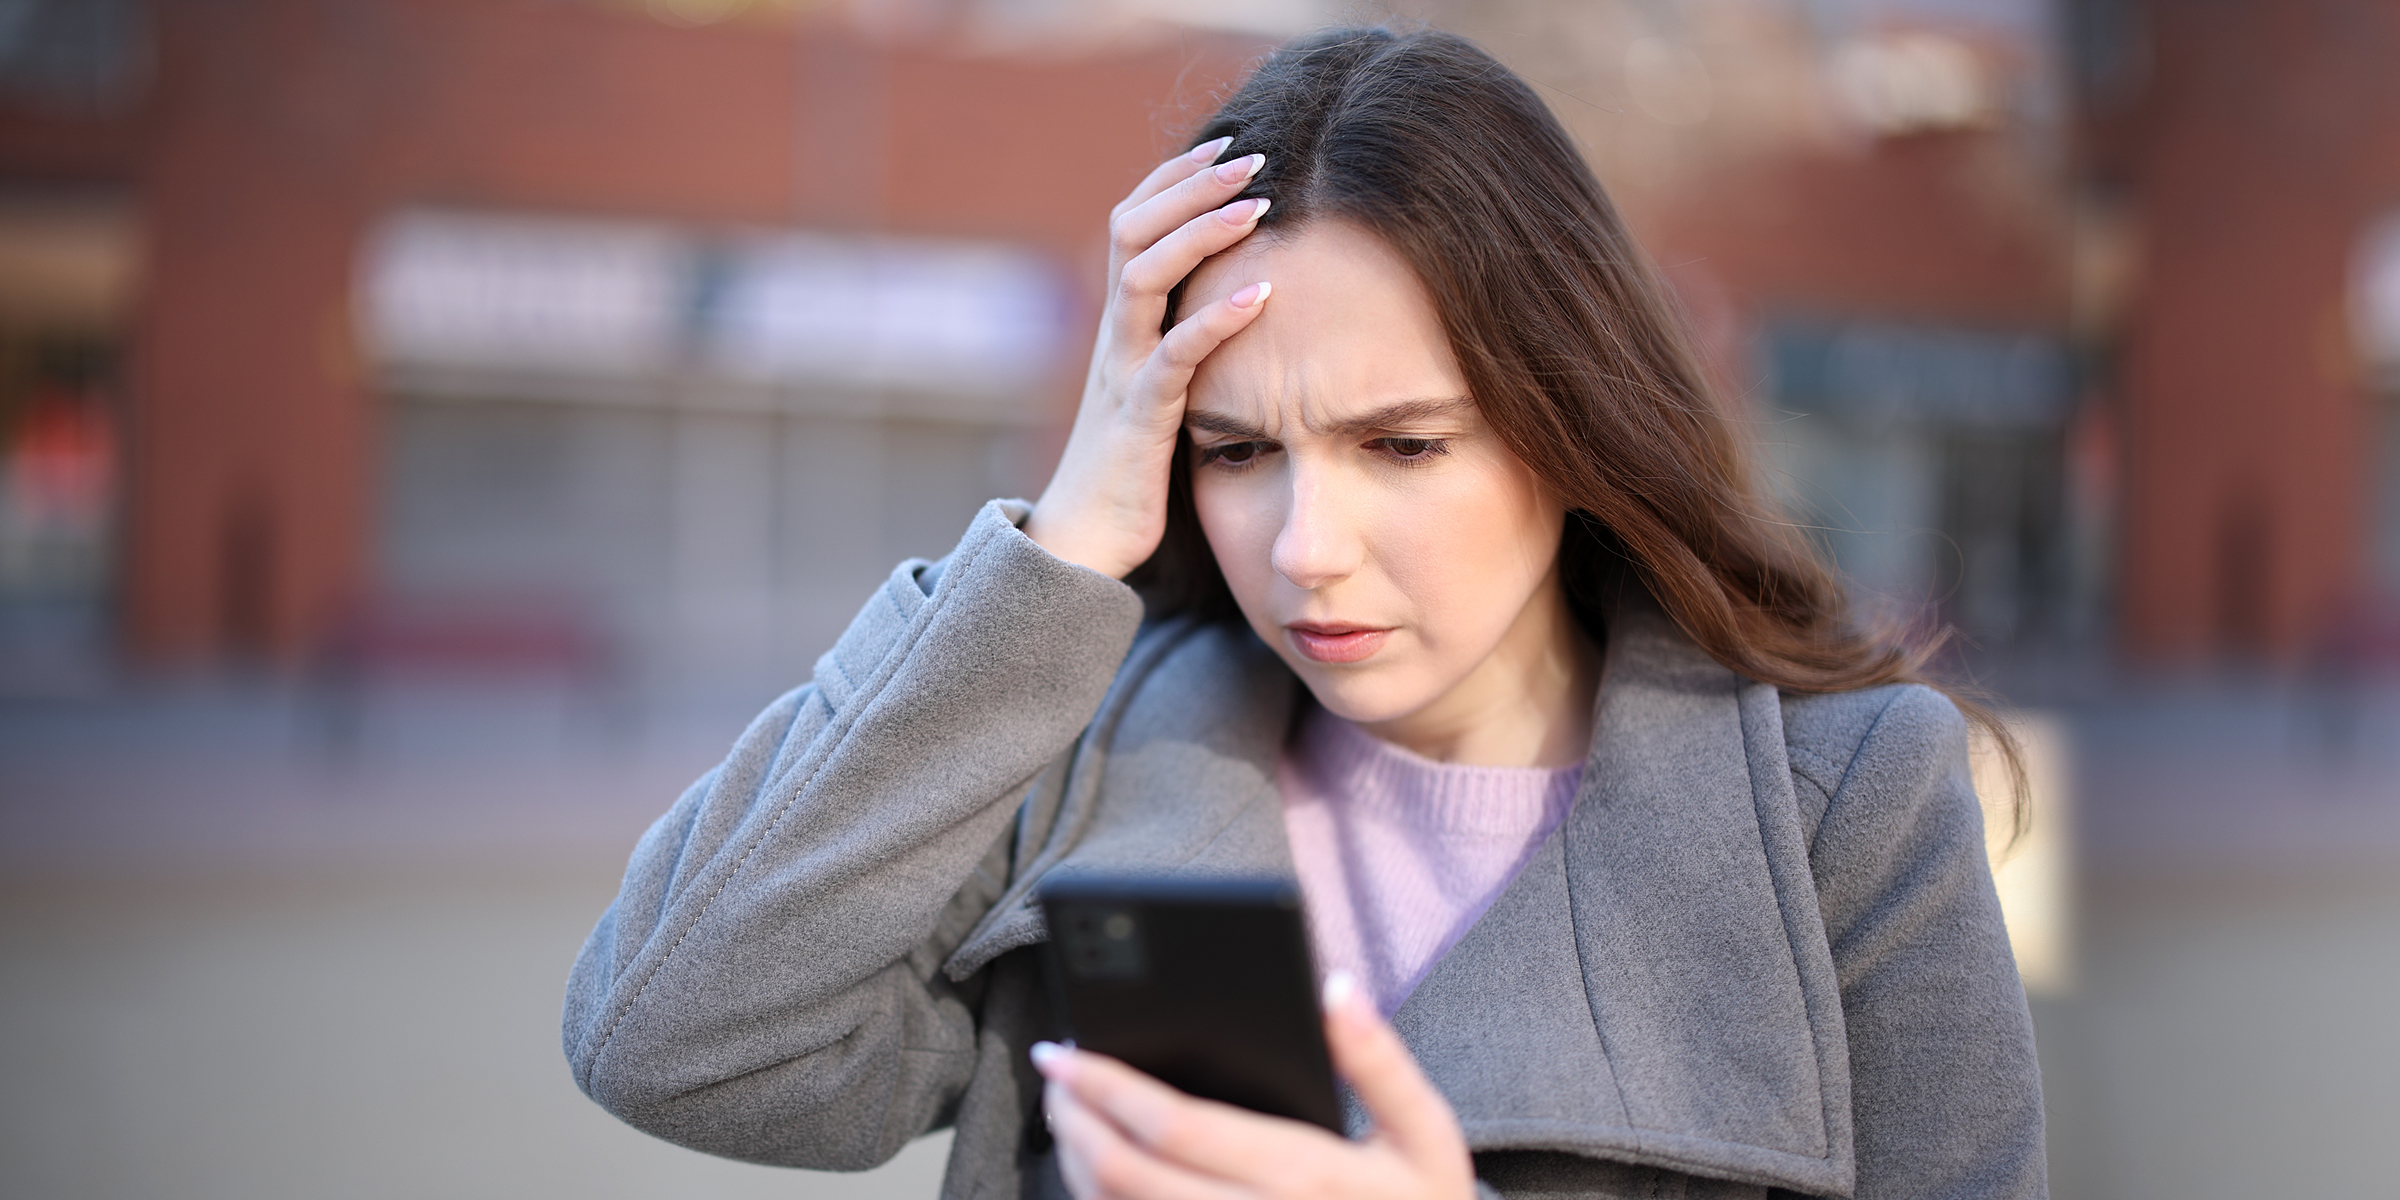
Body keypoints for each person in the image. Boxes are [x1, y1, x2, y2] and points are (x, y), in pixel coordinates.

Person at [563, 27, 2046, 1200]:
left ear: (1573, 426)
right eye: (1237, 451)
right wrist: (1061, 547)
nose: (1309, 550)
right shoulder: (1082, 759)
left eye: (1402, 445)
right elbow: (671, 1041)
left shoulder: (1844, 808)